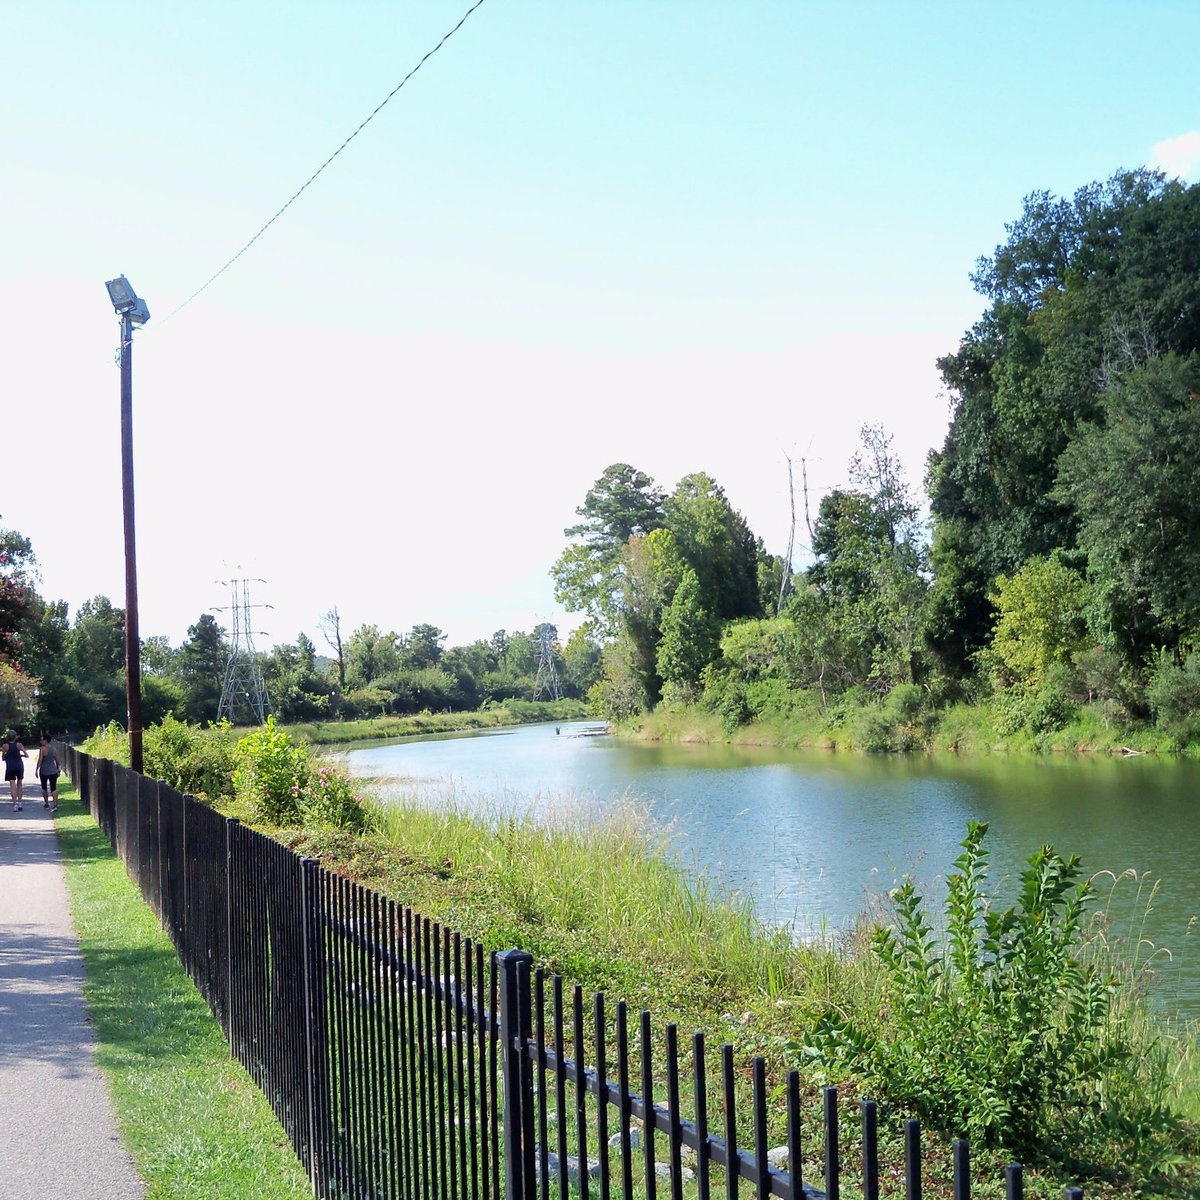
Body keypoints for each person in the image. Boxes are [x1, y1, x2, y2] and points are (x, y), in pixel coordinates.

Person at [3, 730, 27, 811]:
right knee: (19, 783)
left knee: (12, 784)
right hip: (19, 766)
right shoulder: (19, 745)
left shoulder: (5, 746)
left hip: (10, 766)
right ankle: (20, 802)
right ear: (15, 736)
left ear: (7, 737)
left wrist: (7, 755)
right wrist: (21, 755)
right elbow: (26, 755)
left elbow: (3, 757)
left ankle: (15, 804)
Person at [35, 734, 60, 812]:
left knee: (44, 787)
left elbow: (40, 760)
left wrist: (36, 769)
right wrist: (58, 769)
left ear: (46, 740)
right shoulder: (54, 749)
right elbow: (57, 760)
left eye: (42, 740)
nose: (41, 741)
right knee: (53, 788)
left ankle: (46, 803)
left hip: (44, 771)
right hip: (53, 771)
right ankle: (55, 805)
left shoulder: (42, 749)